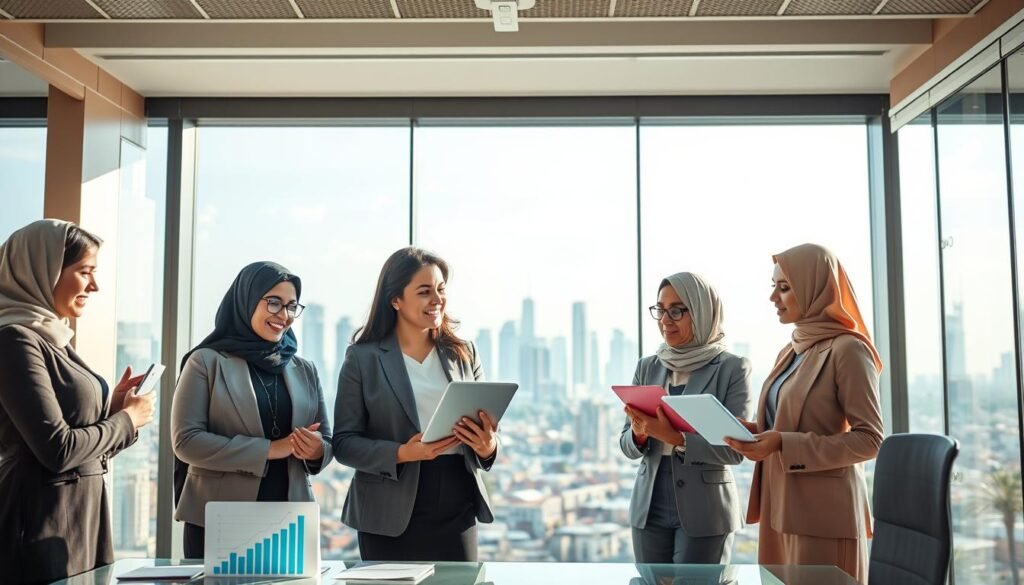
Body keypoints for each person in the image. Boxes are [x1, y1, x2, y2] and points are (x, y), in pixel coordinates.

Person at [0, 219, 156, 583]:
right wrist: (125, 421)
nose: (95, 285)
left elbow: (82, 449)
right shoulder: (15, 340)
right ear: (45, 270)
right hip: (40, 520)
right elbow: (58, 449)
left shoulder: (53, 338)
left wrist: (115, 410)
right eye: (85, 271)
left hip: (79, 516)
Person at [725, 243, 883, 584]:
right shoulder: (792, 349)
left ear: (815, 289)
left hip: (823, 518)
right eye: (774, 287)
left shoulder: (849, 350)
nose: (773, 298)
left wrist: (783, 443)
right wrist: (754, 431)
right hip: (779, 511)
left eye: (784, 288)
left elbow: (870, 440)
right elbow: (787, 423)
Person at [333, 247, 497, 561]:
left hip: (457, 502)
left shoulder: (464, 352)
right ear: (395, 299)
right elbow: (344, 442)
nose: (437, 299)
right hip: (387, 509)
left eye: (440, 289)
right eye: (424, 292)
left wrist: (488, 446)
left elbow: (485, 432)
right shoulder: (362, 358)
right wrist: (402, 453)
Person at [171, 261, 332, 558]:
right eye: (273, 303)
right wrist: (271, 449)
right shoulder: (205, 362)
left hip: (289, 520)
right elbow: (186, 442)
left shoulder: (304, 369)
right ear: (246, 300)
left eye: (291, 306)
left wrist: (316, 450)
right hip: (219, 518)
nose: (283, 315)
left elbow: (327, 441)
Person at [620, 272, 752, 564]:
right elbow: (626, 445)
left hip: (706, 508)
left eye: (677, 310)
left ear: (702, 311)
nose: (665, 319)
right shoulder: (647, 367)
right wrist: (640, 434)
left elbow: (736, 449)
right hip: (649, 504)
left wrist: (676, 439)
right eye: (660, 310)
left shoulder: (731, 368)